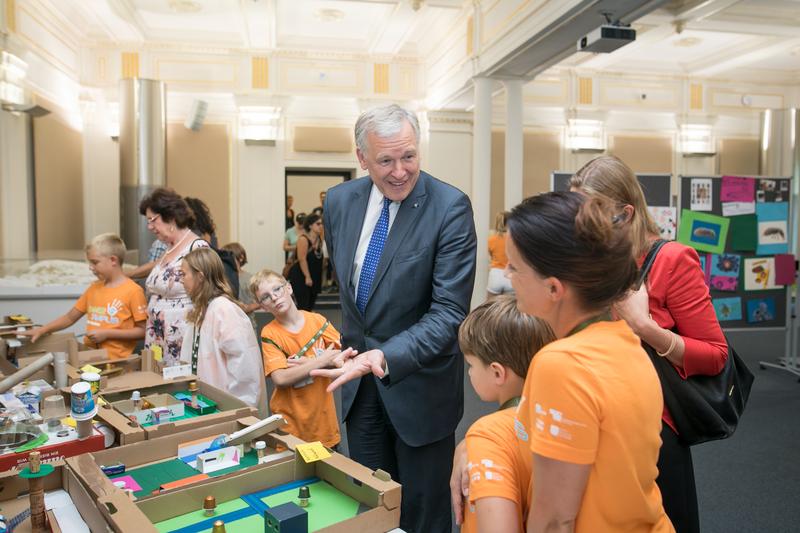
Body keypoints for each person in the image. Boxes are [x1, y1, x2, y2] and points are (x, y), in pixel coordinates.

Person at [311, 104, 477, 532]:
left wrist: (383, 355)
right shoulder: (341, 202)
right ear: (362, 158)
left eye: (409, 156)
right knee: (372, 506)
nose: (400, 171)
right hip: (360, 391)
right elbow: (354, 296)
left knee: (423, 515)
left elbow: (449, 312)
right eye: (385, 160)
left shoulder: (450, 207)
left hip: (420, 389)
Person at [570, 155, 727, 533]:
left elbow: (716, 355)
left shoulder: (672, 260)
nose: (581, 224)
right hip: (593, 420)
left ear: (626, 212)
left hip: (652, 431)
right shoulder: (594, 258)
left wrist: (645, 327)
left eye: (592, 212)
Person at [506, 191, 673, 532]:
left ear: (554, 288)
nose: (507, 275)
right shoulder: (625, 343)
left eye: (514, 267)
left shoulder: (561, 365)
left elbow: (555, 519)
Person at [458, 295, 555, 533]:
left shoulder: (487, 434)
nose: (469, 373)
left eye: (471, 365)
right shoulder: (556, 416)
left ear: (497, 373)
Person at [252, 269, 351, 448]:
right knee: (298, 474)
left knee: (330, 473)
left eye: (277, 290)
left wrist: (308, 364)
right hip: (291, 426)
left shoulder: (317, 321)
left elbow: (344, 357)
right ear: (263, 306)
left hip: (323, 423)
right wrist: (320, 361)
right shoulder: (270, 333)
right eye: (265, 297)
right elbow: (280, 378)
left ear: (289, 288)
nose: (274, 298)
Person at [21, 234, 146, 359]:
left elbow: (143, 331)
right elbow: (69, 318)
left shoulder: (133, 291)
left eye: (95, 262)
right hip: (90, 356)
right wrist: (42, 330)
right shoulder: (94, 288)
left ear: (113, 260)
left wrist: (107, 334)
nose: (90, 267)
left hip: (117, 362)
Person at [178, 248, 267, 417]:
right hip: (205, 403)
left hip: (226, 409)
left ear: (200, 276)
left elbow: (245, 368)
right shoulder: (201, 309)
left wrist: (238, 411)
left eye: (183, 274)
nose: (181, 280)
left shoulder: (224, 310)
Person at [139, 188, 208, 365]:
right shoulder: (169, 248)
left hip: (180, 337)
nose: (150, 227)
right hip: (159, 335)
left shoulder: (196, 246)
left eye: (152, 220)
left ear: (171, 216)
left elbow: (206, 293)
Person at [286, 213, 324, 311]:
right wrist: (307, 277)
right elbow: (301, 259)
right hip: (301, 276)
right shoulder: (303, 239)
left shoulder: (319, 239)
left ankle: (308, 325)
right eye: (318, 224)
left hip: (314, 275)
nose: (321, 226)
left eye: (322, 224)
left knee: (310, 305)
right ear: (310, 225)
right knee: (304, 305)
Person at [220, 242, 259, 314]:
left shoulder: (250, 279)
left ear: (241, 258)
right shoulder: (222, 279)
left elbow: (259, 302)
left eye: (229, 258)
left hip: (247, 321)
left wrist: (246, 308)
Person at [487, 210, 513, 299]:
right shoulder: (514, 239)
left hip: (495, 275)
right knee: (510, 309)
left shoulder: (491, 239)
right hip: (510, 275)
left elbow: (491, 255)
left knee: (489, 308)